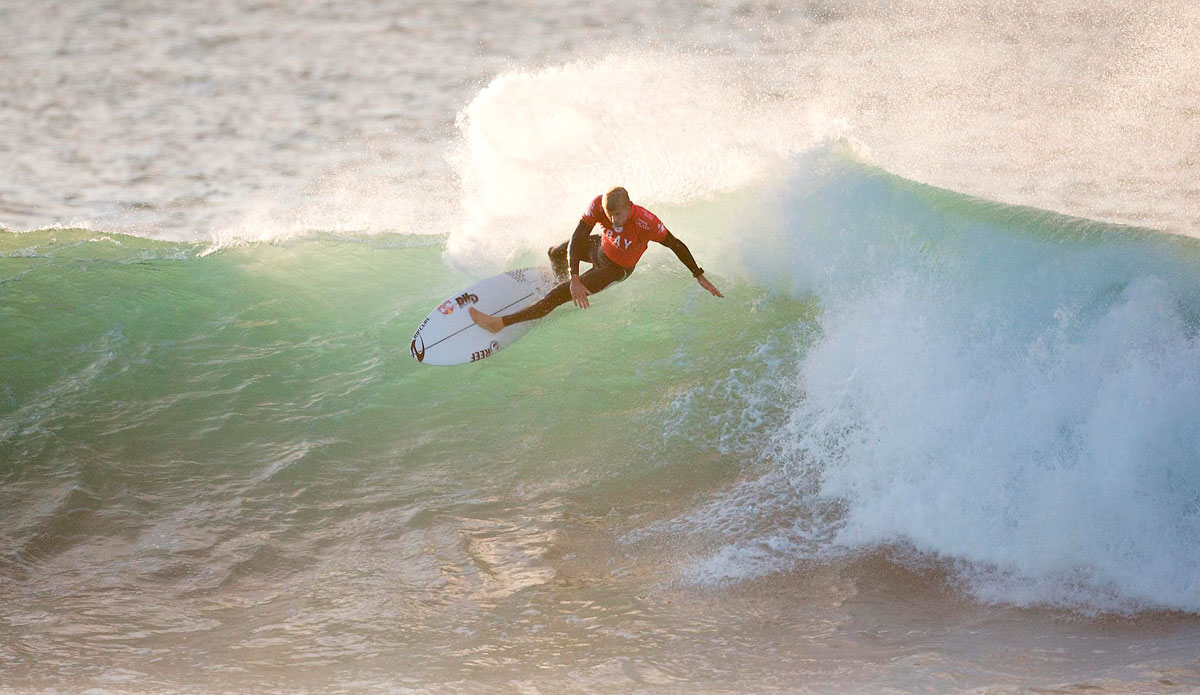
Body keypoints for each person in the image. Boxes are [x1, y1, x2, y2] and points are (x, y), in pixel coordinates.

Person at [469, 187, 723, 333]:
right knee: (554, 253)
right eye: (610, 215)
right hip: (601, 249)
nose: (613, 221)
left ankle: (499, 323)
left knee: (556, 297)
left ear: (629, 207)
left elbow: (675, 244)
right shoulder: (598, 206)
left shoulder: (646, 222)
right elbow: (578, 236)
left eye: (618, 215)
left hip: (615, 269)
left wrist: (698, 274)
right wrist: (575, 278)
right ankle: (563, 281)